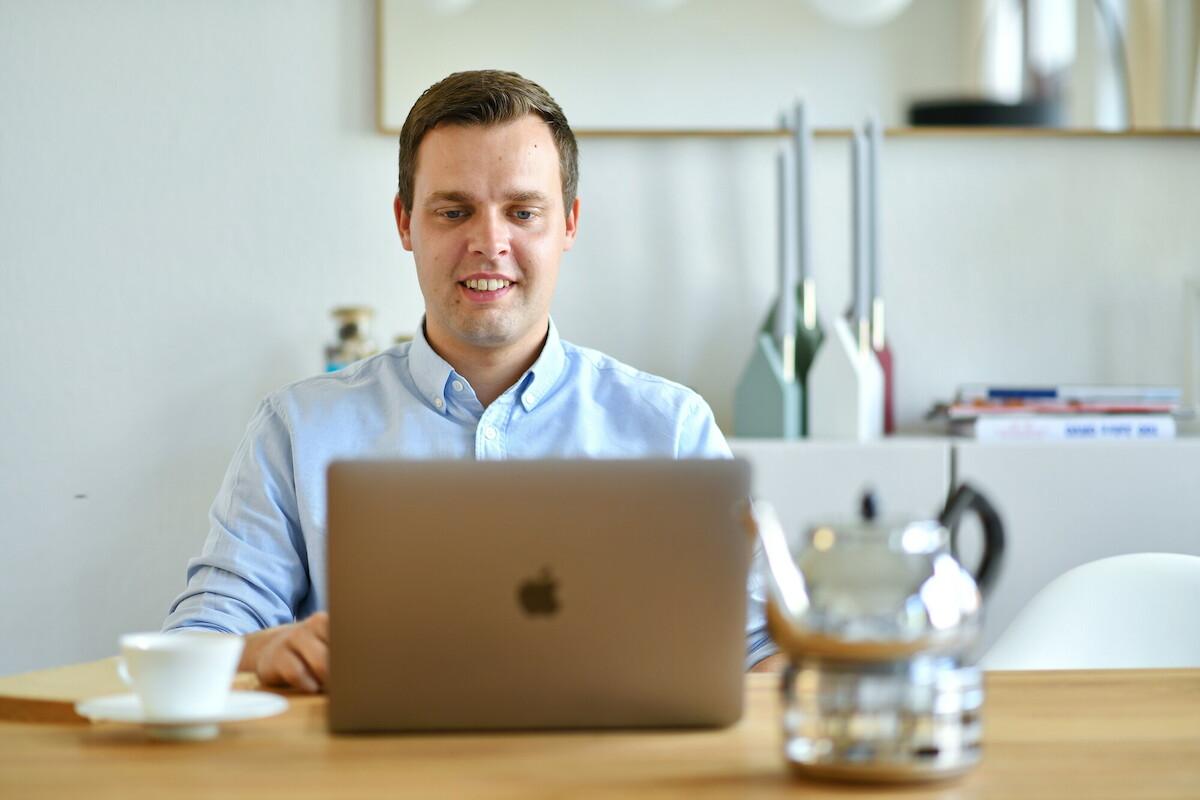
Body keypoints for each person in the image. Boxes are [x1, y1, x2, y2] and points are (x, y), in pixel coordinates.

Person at [163, 70, 780, 691]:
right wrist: (264, 649)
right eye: (454, 211)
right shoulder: (295, 430)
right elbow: (197, 639)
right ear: (405, 223)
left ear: (569, 223)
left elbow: (764, 650)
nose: (489, 242)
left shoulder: (672, 431)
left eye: (523, 212)